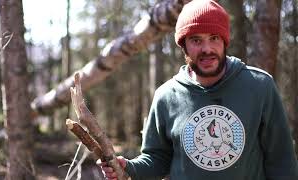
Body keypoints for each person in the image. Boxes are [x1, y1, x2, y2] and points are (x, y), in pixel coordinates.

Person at [97, 0, 298, 179]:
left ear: (224, 41)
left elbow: (282, 161)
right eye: (196, 40)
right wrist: (128, 167)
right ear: (183, 45)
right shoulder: (166, 96)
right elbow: (157, 158)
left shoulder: (259, 86)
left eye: (214, 38)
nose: (207, 49)